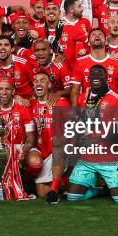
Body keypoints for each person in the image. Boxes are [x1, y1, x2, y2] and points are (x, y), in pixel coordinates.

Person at [67, 65, 118, 205]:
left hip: (110, 159)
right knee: (72, 197)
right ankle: (98, 190)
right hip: (86, 159)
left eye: (100, 74)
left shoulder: (116, 99)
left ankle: (113, 186)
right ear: (88, 78)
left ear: (106, 78)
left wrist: (94, 138)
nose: (96, 77)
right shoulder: (83, 98)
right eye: (93, 75)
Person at [0, 80, 38, 200]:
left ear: (13, 91)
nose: (4, 92)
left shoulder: (23, 107)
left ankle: (25, 183)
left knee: (35, 162)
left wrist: (22, 152)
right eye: (0, 89)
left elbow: (31, 137)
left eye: (7, 89)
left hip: (19, 146)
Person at [70, 28, 118, 106]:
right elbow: (75, 91)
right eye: (93, 35)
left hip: (113, 107)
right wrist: (74, 114)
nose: (97, 36)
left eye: (100, 34)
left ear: (106, 42)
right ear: (88, 43)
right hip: (89, 106)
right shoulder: (80, 62)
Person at [29, 71, 70, 200]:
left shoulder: (61, 102)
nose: (38, 83)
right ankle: (62, 185)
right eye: (36, 81)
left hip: (58, 150)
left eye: (42, 80)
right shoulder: (30, 104)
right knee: (42, 194)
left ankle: (56, 187)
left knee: (59, 145)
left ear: (50, 85)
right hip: (42, 152)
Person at [39, 0, 87, 67]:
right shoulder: (37, 31)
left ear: (60, 12)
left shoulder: (71, 28)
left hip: (69, 72)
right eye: (48, 9)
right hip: (47, 72)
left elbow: (89, 42)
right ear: (43, 12)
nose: (51, 11)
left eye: (54, 9)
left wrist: (82, 51)